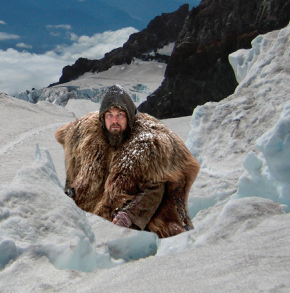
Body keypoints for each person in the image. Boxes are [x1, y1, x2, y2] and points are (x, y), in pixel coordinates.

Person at [55, 85, 199, 238]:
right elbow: (75, 170)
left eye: (120, 114)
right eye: (109, 114)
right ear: (103, 118)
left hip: (131, 224)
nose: (114, 120)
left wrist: (129, 216)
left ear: (129, 116)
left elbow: (156, 188)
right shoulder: (91, 141)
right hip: (90, 222)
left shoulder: (146, 144)